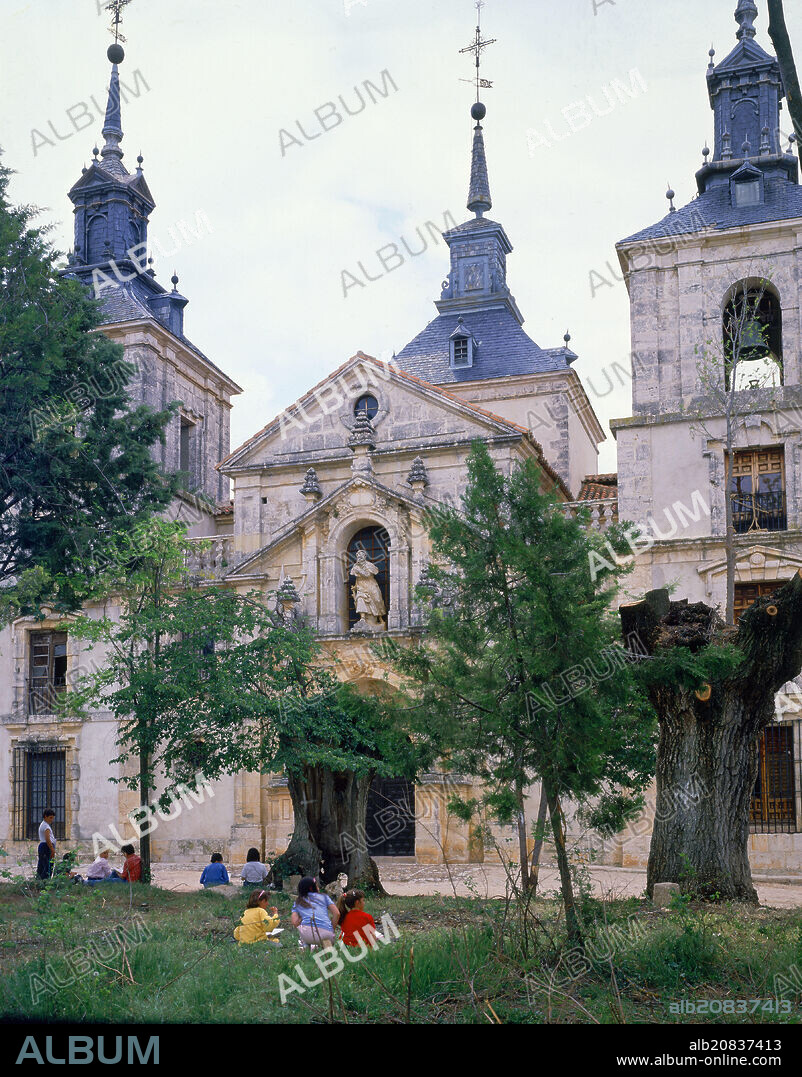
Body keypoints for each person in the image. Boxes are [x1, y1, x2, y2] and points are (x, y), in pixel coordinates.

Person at [291, 876, 339, 949]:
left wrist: (302, 919)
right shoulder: (324, 897)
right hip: (326, 934)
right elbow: (337, 913)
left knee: (304, 937)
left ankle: (306, 947)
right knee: (327, 944)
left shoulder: (298, 901)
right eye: (316, 885)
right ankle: (327, 949)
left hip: (307, 935)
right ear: (312, 888)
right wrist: (331, 929)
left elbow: (295, 923)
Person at [36, 809, 56, 880]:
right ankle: (45, 881)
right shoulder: (45, 826)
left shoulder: (44, 825)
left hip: (44, 846)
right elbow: (47, 839)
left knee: (42, 865)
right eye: (50, 818)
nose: (51, 820)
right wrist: (52, 850)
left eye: (52, 818)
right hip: (46, 847)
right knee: (47, 866)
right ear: (45, 816)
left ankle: (39, 880)